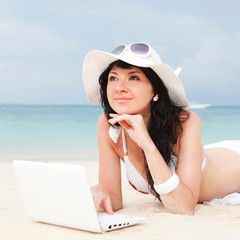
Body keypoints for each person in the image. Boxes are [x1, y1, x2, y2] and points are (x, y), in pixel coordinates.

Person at [82, 43, 240, 215]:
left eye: (134, 77)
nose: (119, 87)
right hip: (206, 154)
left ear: (155, 90)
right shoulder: (108, 125)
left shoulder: (185, 123)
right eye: (113, 78)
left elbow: (184, 207)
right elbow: (115, 200)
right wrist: (100, 194)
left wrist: (146, 144)